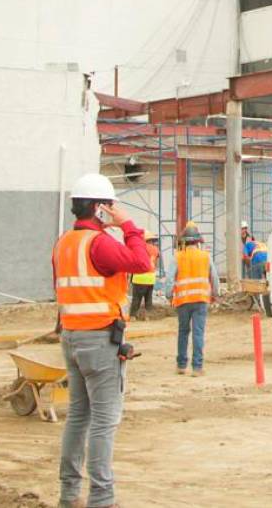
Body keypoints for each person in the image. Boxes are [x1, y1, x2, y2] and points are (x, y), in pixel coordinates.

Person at [53, 172, 151, 508]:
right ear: (99, 209)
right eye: (109, 207)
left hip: (72, 337)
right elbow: (141, 261)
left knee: (78, 416)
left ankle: (69, 495)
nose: (112, 212)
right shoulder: (100, 244)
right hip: (99, 341)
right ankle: (102, 498)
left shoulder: (64, 243)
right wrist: (129, 226)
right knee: (104, 421)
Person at [169, 222, 219, 377]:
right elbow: (214, 278)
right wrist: (215, 294)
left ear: (184, 240)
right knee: (198, 333)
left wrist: (169, 295)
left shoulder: (177, 256)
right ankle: (197, 368)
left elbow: (170, 278)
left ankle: (181, 365)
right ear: (198, 241)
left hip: (183, 300)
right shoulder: (205, 256)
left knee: (183, 332)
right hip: (201, 300)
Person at [241, 224, 272, 317]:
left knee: (255, 283)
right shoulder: (260, 243)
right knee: (267, 282)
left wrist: (248, 264)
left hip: (257, 260)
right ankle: (268, 301)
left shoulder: (247, 245)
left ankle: (259, 303)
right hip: (267, 259)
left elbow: (245, 256)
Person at [129, 235, 160, 321]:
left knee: (136, 298)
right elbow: (156, 264)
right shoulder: (156, 249)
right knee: (148, 299)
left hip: (140, 277)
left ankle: (133, 316)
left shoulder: (140, 248)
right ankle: (147, 316)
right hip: (150, 278)